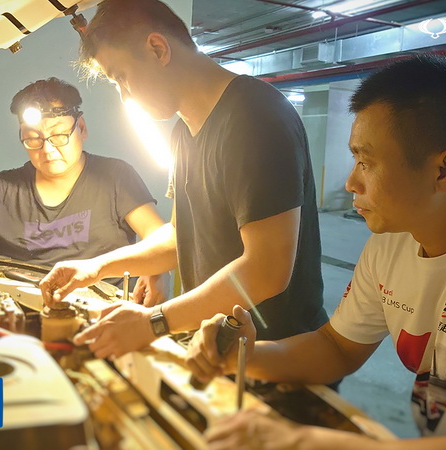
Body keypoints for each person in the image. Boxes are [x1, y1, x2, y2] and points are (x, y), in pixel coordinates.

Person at [185, 55, 446, 449]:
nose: (351, 182)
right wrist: (242, 356)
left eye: (366, 162)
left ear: (445, 170)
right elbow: (337, 347)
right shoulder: (395, 239)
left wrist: (303, 442)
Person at [39, 0, 327, 358]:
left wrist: (153, 322)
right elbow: (180, 237)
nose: (125, 97)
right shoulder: (183, 132)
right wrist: (95, 267)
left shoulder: (254, 117)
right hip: (216, 350)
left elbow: (266, 269)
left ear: (157, 49)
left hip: (277, 359)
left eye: (121, 77)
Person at [0, 77, 166, 304]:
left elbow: (158, 235)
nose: (48, 149)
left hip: (105, 312)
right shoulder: (1, 190)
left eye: (59, 135)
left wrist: (154, 270)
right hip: (24, 312)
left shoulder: (115, 177)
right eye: (33, 138)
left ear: (81, 128)